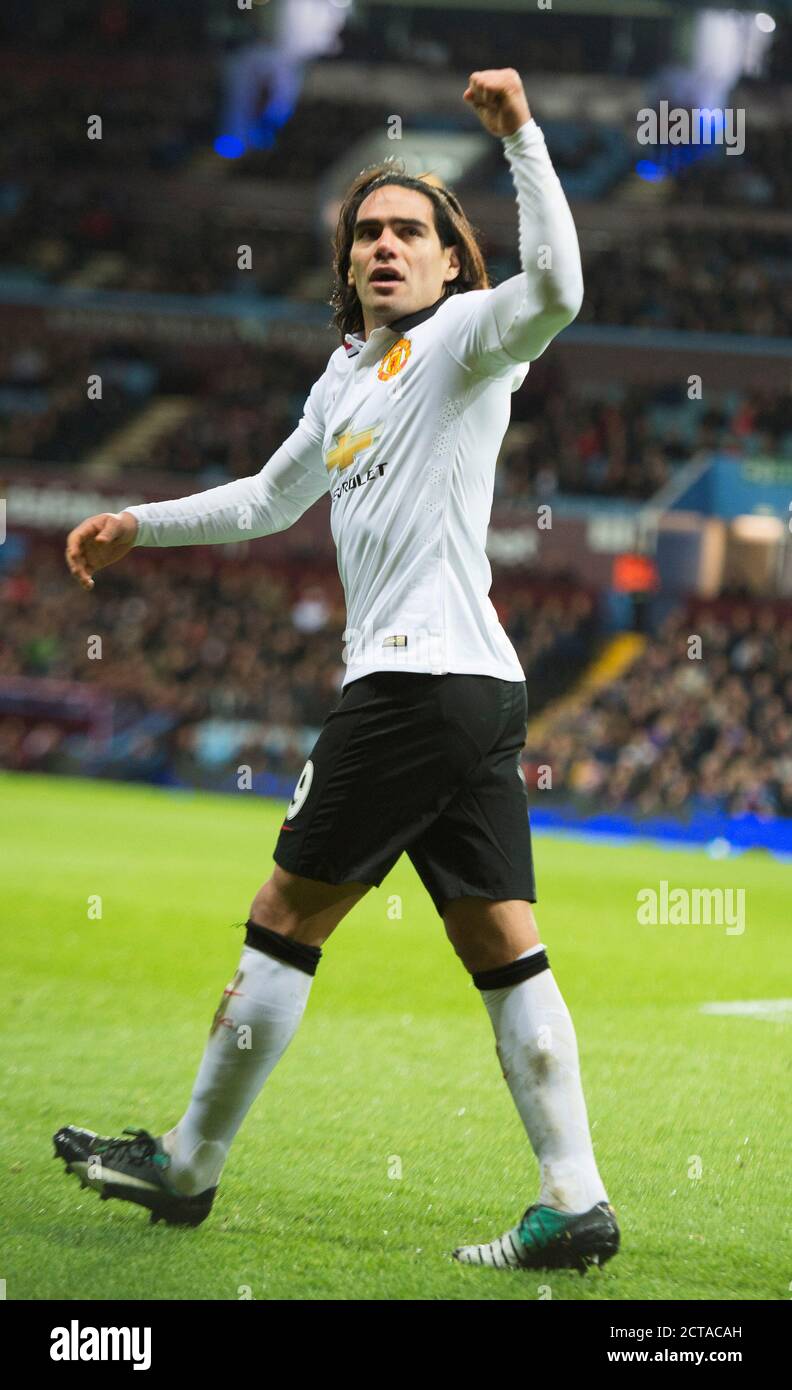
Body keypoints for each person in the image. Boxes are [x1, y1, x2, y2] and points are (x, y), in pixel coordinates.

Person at [57, 69, 618, 1274]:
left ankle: (189, 1166)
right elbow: (266, 499)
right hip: (471, 692)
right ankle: (575, 1202)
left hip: (416, 688)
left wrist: (518, 135)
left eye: (409, 231)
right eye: (366, 232)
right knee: (501, 943)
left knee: (282, 918)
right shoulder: (345, 381)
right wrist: (137, 521)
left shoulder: (467, 341)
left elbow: (564, 287)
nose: (383, 246)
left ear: (453, 262)